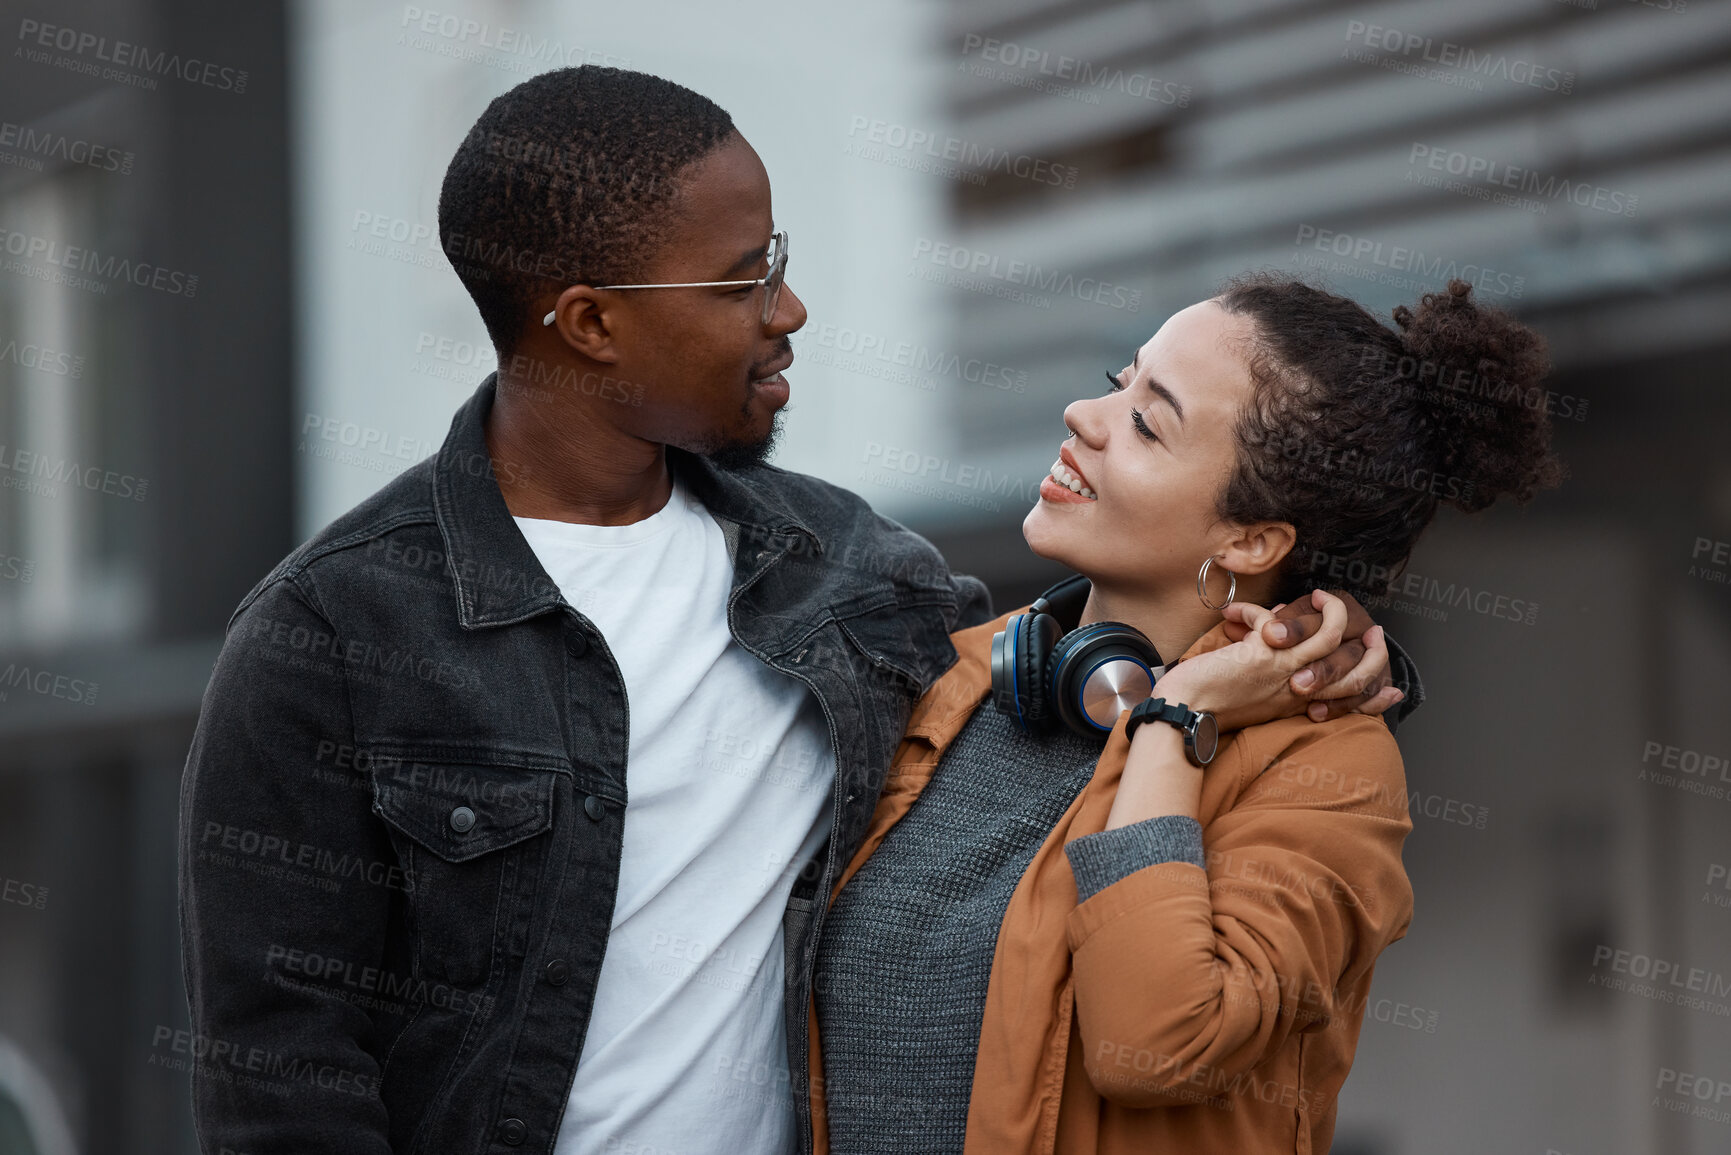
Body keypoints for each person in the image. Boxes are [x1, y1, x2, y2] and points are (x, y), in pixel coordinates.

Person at [177, 66, 1411, 1155]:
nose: (788, 308)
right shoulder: (329, 639)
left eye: (781, 258)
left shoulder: (861, 579)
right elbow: (283, 1086)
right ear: (593, 323)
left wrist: (1333, 634)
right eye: (741, 279)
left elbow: (1110, 673)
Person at [810, 275, 1563, 1154]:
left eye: (1145, 421)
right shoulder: (952, 677)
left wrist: (1177, 715)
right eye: (1117, 379)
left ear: (1248, 542)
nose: (1084, 414)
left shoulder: (1330, 774)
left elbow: (1158, 1043)